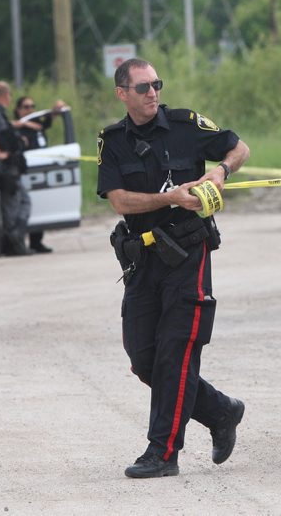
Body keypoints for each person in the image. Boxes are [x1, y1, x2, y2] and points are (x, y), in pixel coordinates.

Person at [97, 57, 250, 479]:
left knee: (176, 352)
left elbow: (240, 149)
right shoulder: (113, 141)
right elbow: (118, 200)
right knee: (143, 357)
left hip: (188, 253)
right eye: (143, 87)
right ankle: (221, 411)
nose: (152, 93)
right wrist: (169, 198)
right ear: (122, 94)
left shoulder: (185, 126)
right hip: (143, 258)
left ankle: (162, 452)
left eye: (156, 85)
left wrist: (219, 172)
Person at [0, 81, 32, 256]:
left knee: (22, 203)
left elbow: (2, 131)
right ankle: (13, 244)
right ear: (5, 95)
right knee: (12, 208)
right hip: (5, 169)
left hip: (11, 167)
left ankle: (16, 242)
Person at [13, 96, 67, 253]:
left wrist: (57, 107)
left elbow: (52, 116)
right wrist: (23, 123)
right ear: (18, 110)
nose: (30, 109)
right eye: (26, 107)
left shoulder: (38, 125)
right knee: (22, 207)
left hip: (40, 169)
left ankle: (36, 241)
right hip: (24, 170)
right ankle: (18, 242)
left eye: (32, 106)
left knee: (40, 204)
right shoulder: (17, 128)